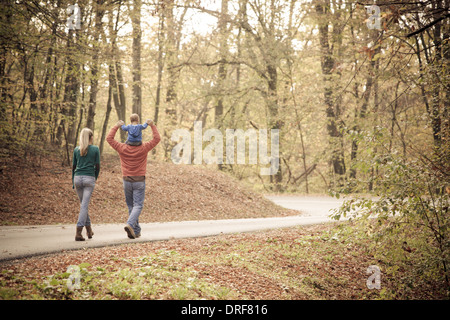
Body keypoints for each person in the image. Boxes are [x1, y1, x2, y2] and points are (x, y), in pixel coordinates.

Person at [106, 119, 160, 239]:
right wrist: (152, 126)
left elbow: (109, 139)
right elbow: (157, 139)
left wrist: (116, 126)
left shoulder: (122, 148)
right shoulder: (144, 148)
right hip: (139, 180)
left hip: (127, 180)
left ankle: (136, 230)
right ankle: (130, 224)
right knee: (138, 205)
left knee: (131, 205)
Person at [72, 128, 100, 241]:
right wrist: (95, 177)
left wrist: (73, 181)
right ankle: (78, 232)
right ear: (91, 137)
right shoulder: (95, 149)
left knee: (84, 205)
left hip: (77, 178)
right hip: (89, 178)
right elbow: (97, 166)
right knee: (84, 206)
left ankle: (89, 230)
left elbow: (73, 167)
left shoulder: (76, 150)